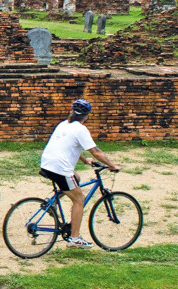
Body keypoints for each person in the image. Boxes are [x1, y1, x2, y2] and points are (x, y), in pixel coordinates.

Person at [40, 99, 119, 249]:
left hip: (47, 163)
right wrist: (112, 165)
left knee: (76, 177)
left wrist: (83, 160)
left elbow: (71, 146)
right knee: (79, 199)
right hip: (60, 169)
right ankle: (74, 239)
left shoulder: (64, 124)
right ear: (86, 116)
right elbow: (96, 152)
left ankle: (53, 202)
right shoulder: (81, 129)